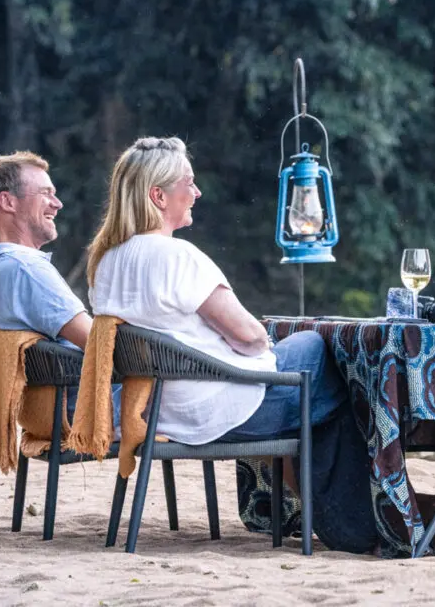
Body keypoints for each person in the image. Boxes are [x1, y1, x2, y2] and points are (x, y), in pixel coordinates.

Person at [86, 136, 377, 553]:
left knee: (313, 386)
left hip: (157, 411)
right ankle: (361, 522)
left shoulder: (105, 262)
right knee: (317, 352)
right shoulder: (177, 257)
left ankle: (319, 512)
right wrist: (260, 350)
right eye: (188, 182)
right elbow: (250, 335)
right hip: (216, 411)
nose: (197, 192)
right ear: (158, 196)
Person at [0, 151, 121, 423]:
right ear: (8, 201)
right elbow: (101, 344)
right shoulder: (26, 270)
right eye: (45, 193)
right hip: (95, 412)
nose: (57, 204)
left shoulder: (1, 268)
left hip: (46, 417)